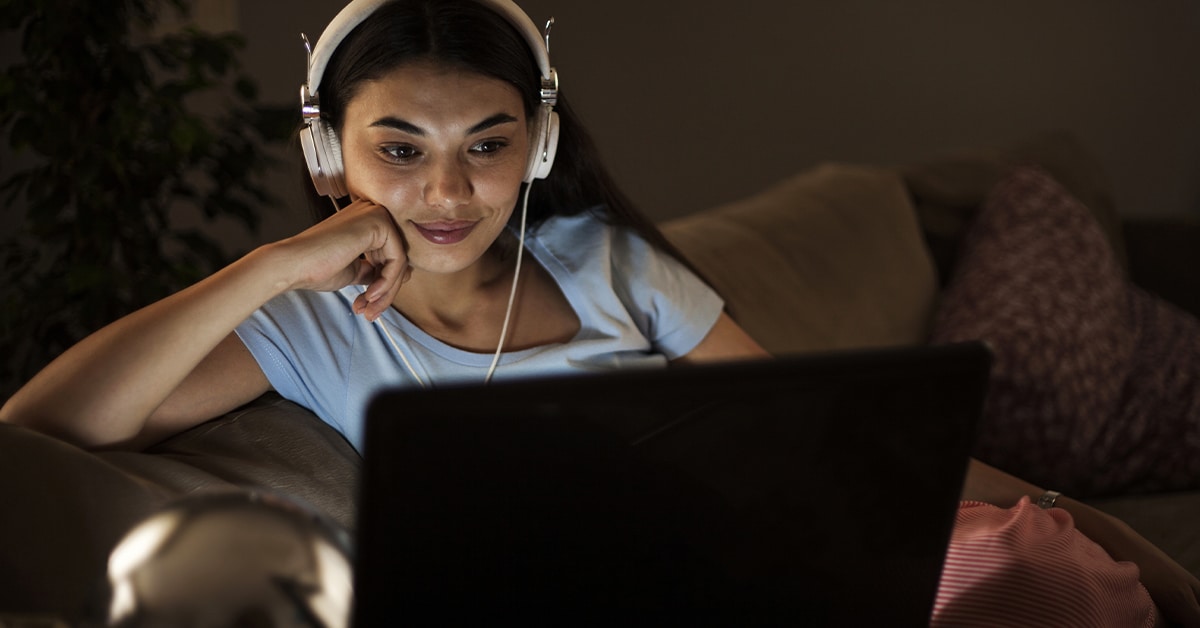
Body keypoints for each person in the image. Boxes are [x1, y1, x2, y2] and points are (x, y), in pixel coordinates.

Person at [1, 0, 1197, 624]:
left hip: (760, 559)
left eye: (487, 144)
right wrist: (269, 263)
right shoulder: (307, 324)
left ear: (540, 145)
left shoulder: (604, 258)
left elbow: (811, 434)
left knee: (1030, 567)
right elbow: (41, 419)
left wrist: (1062, 510)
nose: (448, 190)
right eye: (399, 148)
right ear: (328, 155)